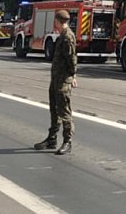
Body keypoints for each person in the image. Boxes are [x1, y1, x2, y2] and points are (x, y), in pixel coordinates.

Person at [34, 9, 78, 155]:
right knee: (54, 110)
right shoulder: (62, 36)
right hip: (56, 79)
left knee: (64, 111)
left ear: (58, 21)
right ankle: (52, 139)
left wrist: (72, 76)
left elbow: (71, 58)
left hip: (63, 81)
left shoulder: (67, 37)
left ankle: (67, 141)